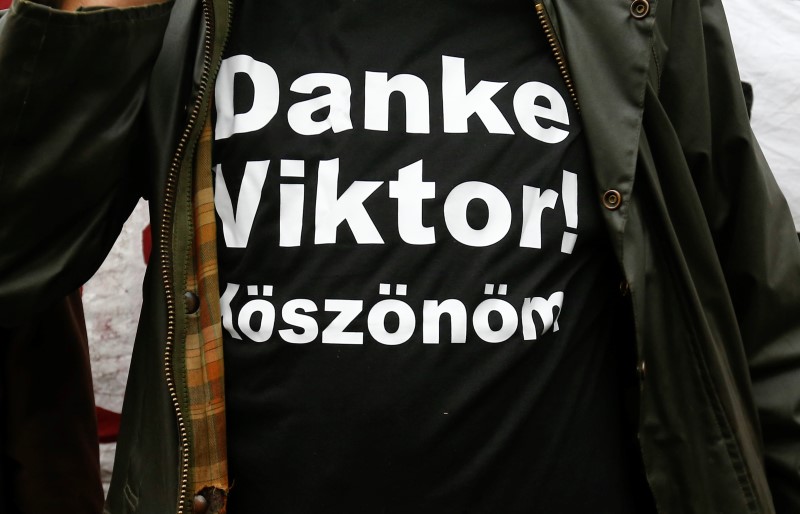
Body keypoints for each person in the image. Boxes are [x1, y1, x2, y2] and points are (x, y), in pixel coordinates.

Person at [1, 0, 799, 513]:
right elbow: (19, 261)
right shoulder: (172, 12)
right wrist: (88, 24)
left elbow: (751, 296)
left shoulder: (636, 9)